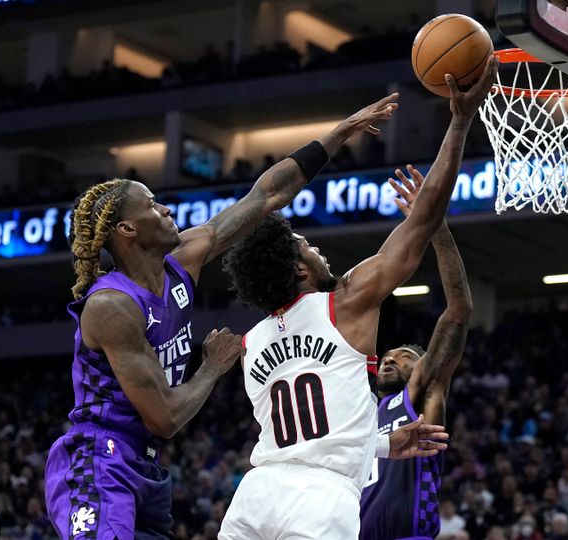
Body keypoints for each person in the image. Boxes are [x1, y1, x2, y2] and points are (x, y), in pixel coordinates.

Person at [44, 93, 400, 540]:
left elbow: (267, 194)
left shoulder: (184, 259)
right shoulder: (111, 306)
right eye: (153, 205)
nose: (167, 209)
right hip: (99, 457)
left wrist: (337, 135)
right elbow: (165, 418)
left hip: (146, 464)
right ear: (127, 230)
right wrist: (212, 365)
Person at [219, 56, 498, 540]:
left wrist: (384, 445)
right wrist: (459, 120)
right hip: (323, 499)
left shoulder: (252, 343)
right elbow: (423, 220)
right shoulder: (344, 302)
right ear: (299, 269)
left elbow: (311, 432)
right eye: (308, 246)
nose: (317, 248)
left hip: (255, 493)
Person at [359, 166, 473, 539]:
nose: (391, 358)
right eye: (388, 356)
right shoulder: (359, 413)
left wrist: (435, 224)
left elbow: (458, 311)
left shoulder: (421, 395)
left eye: (405, 356)